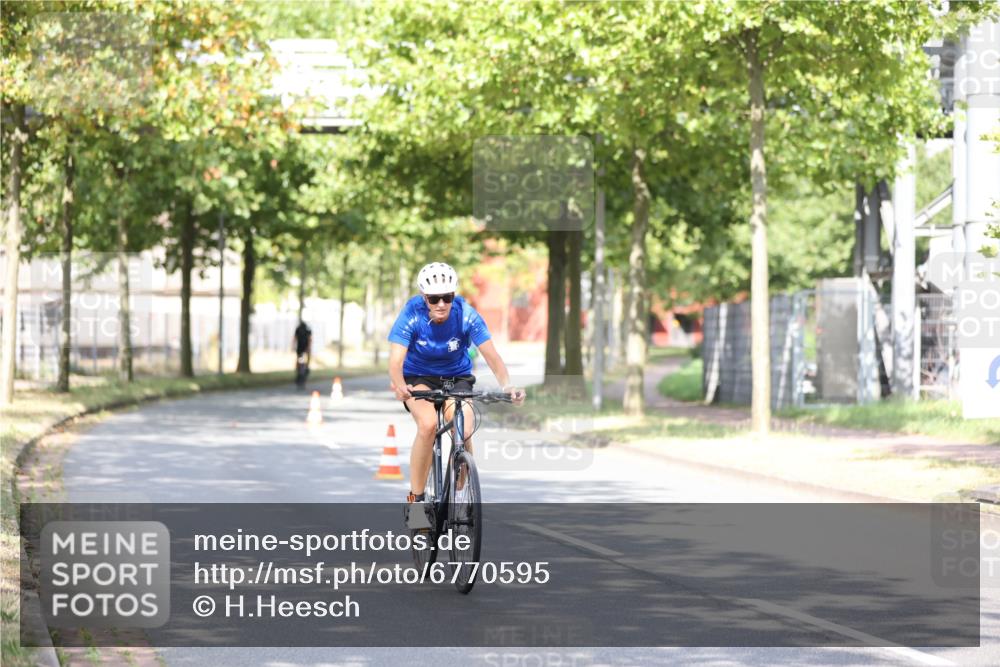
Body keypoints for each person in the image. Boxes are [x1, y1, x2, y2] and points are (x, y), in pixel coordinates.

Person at [388, 262, 525, 506]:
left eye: (447, 297)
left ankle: (461, 471)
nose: (441, 304)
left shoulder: (466, 314)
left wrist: (508, 386)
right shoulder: (412, 313)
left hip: (456, 377)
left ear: (454, 296)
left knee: (465, 424)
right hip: (418, 378)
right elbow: (396, 361)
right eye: (434, 298)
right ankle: (416, 501)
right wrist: (399, 385)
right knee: (428, 425)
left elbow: (492, 356)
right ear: (424, 297)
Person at [292, 320, 312, 387]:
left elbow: (295, 339)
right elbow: (310, 339)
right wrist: (308, 348)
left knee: (300, 361)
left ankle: (300, 370)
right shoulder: (307, 329)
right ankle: (304, 370)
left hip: (300, 349)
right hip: (304, 350)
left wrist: (293, 346)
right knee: (303, 362)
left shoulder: (298, 329)